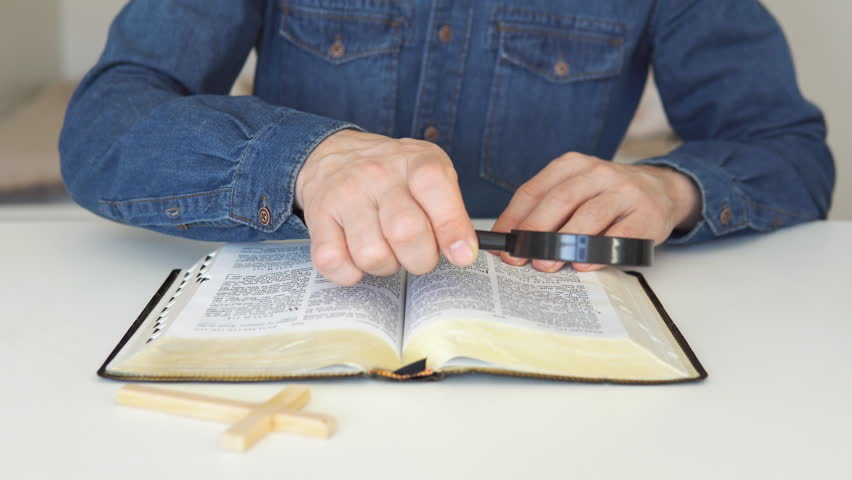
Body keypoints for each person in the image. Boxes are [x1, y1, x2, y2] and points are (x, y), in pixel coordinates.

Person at [60, 0, 834, 286]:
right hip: (301, 308)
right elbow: (105, 123)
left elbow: (788, 149)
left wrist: (673, 188)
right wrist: (308, 159)